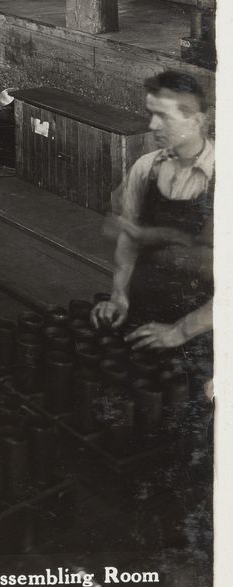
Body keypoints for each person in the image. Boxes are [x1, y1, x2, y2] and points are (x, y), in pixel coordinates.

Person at [93, 71, 213, 377]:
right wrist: (119, 295)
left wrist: (180, 332)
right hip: (145, 314)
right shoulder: (145, 168)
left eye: (163, 117)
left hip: (204, 332)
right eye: (150, 114)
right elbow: (127, 240)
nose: (151, 125)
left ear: (197, 121)